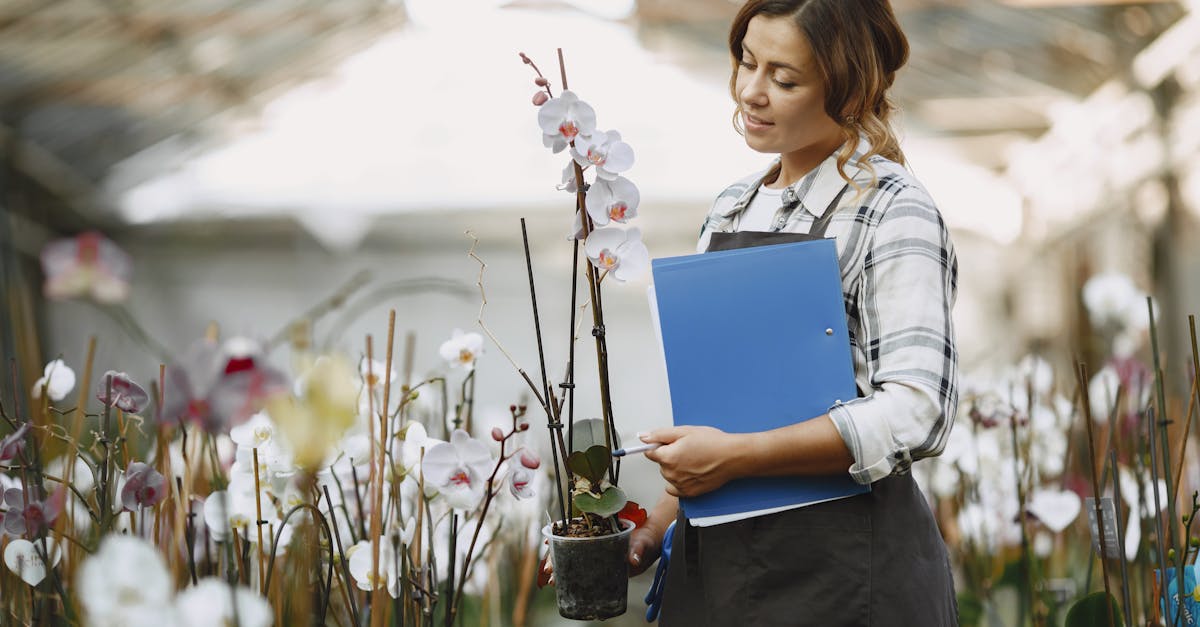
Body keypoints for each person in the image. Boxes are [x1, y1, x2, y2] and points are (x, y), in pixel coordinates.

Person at [625, 1, 960, 625]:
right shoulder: (731, 208)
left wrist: (740, 456)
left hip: (848, 573)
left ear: (847, 86)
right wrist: (654, 528)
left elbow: (919, 411)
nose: (752, 92)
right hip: (722, 569)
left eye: (785, 79)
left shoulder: (891, 208)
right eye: (747, 63)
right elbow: (721, 416)